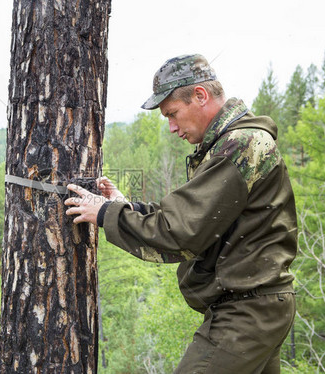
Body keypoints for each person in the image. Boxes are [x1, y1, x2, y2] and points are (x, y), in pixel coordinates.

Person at [65, 54, 297, 373]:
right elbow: (193, 217)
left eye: (173, 114)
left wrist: (106, 213)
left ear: (200, 96)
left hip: (247, 312)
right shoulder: (230, 145)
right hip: (259, 307)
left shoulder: (239, 146)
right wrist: (123, 207)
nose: (173, 127)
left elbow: (180, 232)